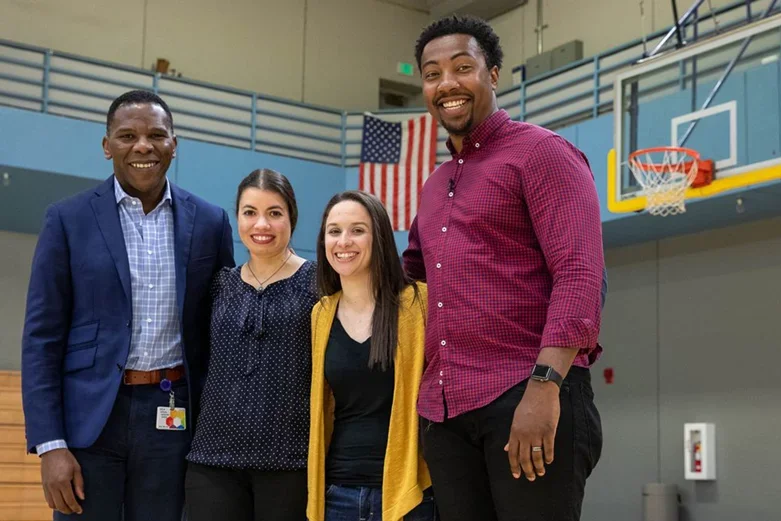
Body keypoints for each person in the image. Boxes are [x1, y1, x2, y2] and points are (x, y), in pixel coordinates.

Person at [403, 15, 606, 521]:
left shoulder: (543, 153)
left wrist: (544, 386)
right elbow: (409, 281)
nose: (446, 84)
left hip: (526, 390)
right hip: (446, 412)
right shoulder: (434, 186)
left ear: (492, 74)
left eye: (462, 67)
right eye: (432, 74)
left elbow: (580, 273)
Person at [21, 89, 235, 521]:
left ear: (174, 144)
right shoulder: (67, 219)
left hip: (173, 419)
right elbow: (42, 338)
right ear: (107, 146)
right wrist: (50, 445)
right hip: (89, 422)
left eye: (156, 135)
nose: (143, 146)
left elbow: (220, 331)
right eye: (127, 136)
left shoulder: (210, 222)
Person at [185, 169, 316, 521]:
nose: (262, 224)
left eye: (274, 213)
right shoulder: (219, 285)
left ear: (291, 218)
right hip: (213, 460)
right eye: (250, 212)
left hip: (290, 461)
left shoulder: (318, 283)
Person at [307, 191, 436, 521]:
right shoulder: (321, 314)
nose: (343, 241)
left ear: (379, 237)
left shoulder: (418, 303)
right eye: (334, 231)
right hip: (338, 494)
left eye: (357, 230)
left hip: (409, 494)